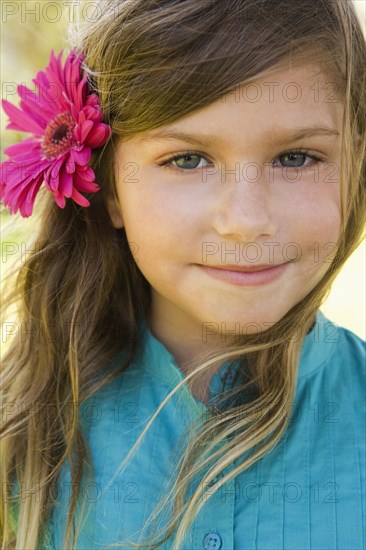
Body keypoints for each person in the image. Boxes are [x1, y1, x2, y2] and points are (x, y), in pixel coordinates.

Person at [1, 0, 365, 548]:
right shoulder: (21, 434)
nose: (246, 221)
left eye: (296, 158)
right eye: (188, 160)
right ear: (110, 190)